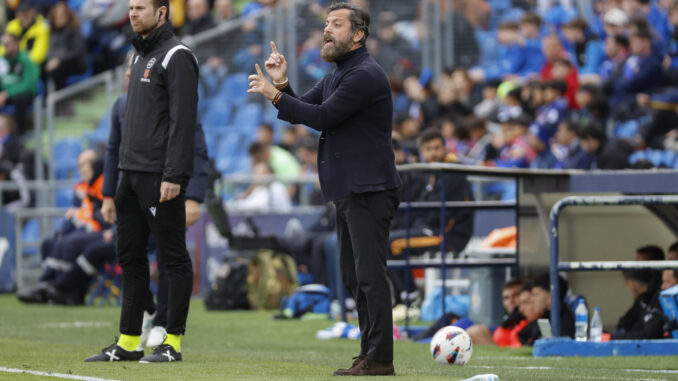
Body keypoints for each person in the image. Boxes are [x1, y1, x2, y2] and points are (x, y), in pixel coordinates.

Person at [247, 2, 401, 376]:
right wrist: (282, 84)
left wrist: (275, 95)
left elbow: (324, 117)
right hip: (350, 189)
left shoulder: (364, 74)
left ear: (358, 34)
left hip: (369, 188)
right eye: (326, 23)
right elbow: (306, 107)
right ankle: (369, 352)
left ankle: (380, 358)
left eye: (336, 24)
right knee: (353, 276)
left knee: (369, 275)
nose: (326, 30)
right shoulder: (339, 73)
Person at [86, 0, 199, 363]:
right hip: (129, 176)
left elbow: (184, 122)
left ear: (162, 12)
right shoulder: (137, 56)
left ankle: (172, 344)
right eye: (131, 7)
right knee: (130, 258)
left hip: (159, 176)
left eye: (140, 8)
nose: (132, 13)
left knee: (173, 259)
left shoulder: (177, 55)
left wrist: (175, 175)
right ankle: (129, 341)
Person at [101, 53, 208, 348]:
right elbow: (113, 151)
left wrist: (195, 196)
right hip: (130, 191)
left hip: (166, 189)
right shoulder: (121, 106)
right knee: (127, 252)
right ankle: (145, 310)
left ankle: (164, 322)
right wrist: (108, 194)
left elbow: (196, 148)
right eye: (127, 71)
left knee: (168, 255)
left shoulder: (171, 103)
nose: (129, 76)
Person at [0, 32, 39, 135]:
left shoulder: (26, 59)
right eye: (3, 44)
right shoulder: (2, 60)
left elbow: (28, 84)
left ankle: (19, 136)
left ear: (16, 43)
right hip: (5, 95)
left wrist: (7, 94)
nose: (5, 47)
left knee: (20, 99)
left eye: (7, 44)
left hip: (24, 95)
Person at [44, 1, 87, 90]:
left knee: (56, 71)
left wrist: (59, 60)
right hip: (57, 61)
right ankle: (47, 98)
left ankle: (63, 99)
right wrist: (51, 60)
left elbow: (77, 51)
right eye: (57, 18)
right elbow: (50, 49)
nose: (59, 20)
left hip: (75, 63)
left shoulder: (74, 29)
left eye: (62, 17)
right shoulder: (53, 32)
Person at [613, 270, 667, 339]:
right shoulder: (642, 299)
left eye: (626, 283)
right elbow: (626, 322)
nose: (663, 287)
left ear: (633, 284)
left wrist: (614, 337)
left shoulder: (660, 299)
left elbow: (648, 334)